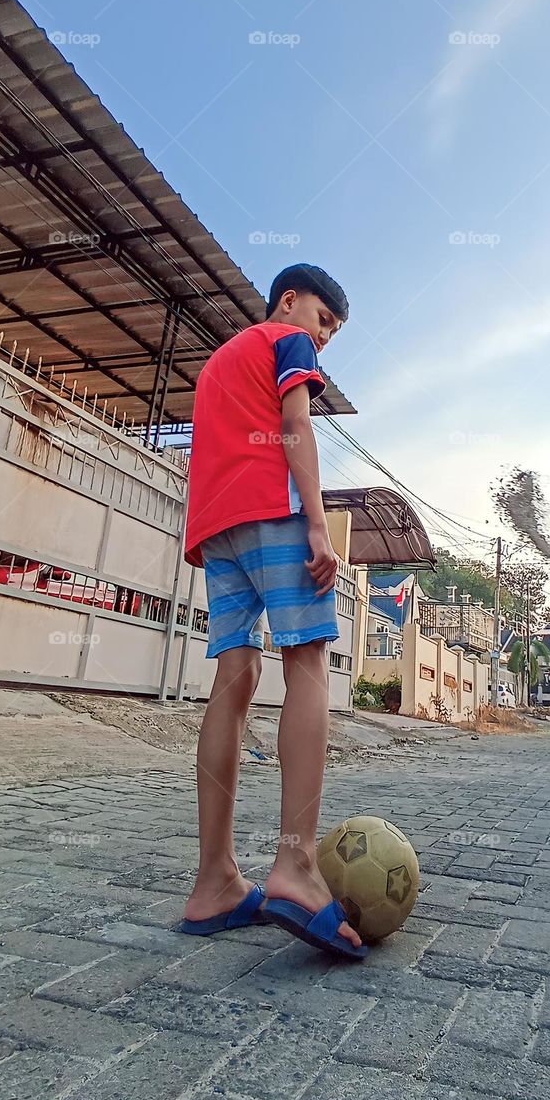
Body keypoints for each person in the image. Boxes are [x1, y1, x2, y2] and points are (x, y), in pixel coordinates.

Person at [180, 263, 366, 959]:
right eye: (324, 320)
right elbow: (294, 426)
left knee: (234, 679)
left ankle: (214, 884)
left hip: (215, 531)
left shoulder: (219, 362)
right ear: (289, 301)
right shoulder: (285, 343)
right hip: (272, 512)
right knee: (310, 659)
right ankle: (294, 865)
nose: (323, 339)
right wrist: (317, 523)